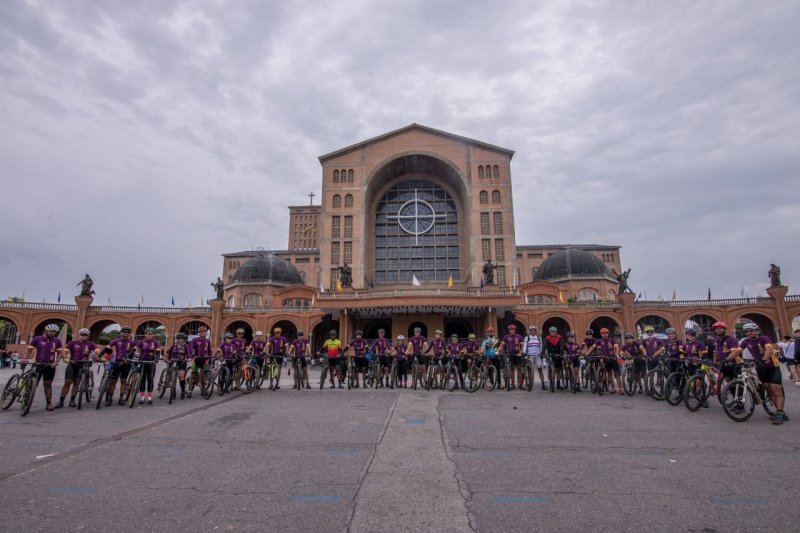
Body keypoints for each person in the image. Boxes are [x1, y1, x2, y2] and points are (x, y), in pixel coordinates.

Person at [731, 323, 787, 424]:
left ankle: (779, 413)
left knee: (776, 391)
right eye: (747, 331)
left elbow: (769, 348)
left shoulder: (764, 338)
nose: (749, 333)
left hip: (772, 368)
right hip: (761, 369)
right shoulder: (746, 341)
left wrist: (764, 359)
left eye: (751, 331)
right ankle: (781, 412)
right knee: (769, 391)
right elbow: (737, 351)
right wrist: (727, 359)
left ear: (757, 331)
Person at [23, 323, 63, 411]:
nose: (53, 333)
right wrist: (24, 359)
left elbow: (60, 353)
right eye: (51, 331)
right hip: (38, 364)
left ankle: (49, 403)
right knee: (33, 384)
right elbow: (29, 349)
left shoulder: (57, 341)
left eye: (55, 332)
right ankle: (26, 401)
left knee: (48, 384)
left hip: (50, 366)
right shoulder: (37, 338)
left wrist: (56, 362)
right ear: (46, 331)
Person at [57, 328, 99, 408]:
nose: (83, 336)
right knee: (67, 382)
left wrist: (97, 356)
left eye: (85, 335)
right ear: (79, 335)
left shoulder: (91, 344)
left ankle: (72, 400)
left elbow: (97, 350)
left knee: (76, 383)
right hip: (72, 363)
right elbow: (65, 350)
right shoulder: (73, 342)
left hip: (83, 364)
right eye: (81, 334)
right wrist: (65, 357)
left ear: (88, 336)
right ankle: (61, 401)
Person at [106, 326, 137, 406]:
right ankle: (110, 398)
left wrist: (128, 358)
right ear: (121, 333)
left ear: (129, 334)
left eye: (127, 332)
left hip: (126, 363)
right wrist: (99, 356)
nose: (126, 333)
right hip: (117, 362)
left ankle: (121, 398)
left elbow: (133, 352)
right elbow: (107, 348)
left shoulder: (132, 342)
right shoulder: (116, 341)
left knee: (123, 381)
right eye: (124, 332)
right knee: (113, 381)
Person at [589, 328, 622, 394]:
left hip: (613, 358)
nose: (605, 334)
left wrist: (617, 354)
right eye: (603, 333)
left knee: (616, 374)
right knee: (609, 374)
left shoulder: (612, 340)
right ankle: (613, 388)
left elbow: (616, 347)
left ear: (608, 333)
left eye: (606, 333)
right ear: (601, 334)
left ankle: (621, 388)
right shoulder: (599, 340)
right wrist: (588, 353)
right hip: (606, 359)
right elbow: (593, 347)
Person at [134, 327, 161, 404]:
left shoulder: (156, 342)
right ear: (145, 334)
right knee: (142, 379)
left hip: (151, 362)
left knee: (150, 379)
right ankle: (142, 397)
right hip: (142, 361)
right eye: (148, 333)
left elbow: (158, 351)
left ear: (153, 335)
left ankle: (149, 397)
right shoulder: (141, 341)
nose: (149, 335)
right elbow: (135, 348)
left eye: (151, 334)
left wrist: (157, 359)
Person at [187, 325, 213, 398]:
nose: (202, 333)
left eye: (204, 331)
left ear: (205, 332)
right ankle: (189, 391)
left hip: (205, 360)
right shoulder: (195, 340)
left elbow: (209, 351)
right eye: (200, 332)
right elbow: (191, 347)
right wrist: (191, 356)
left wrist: (210, 359)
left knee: (203, 375)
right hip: (197, 359)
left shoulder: (208, 341)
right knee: (193, 374)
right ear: (199, 332)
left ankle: (203, 390)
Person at [164, 332, 191, 400]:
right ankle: (173, 391)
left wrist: (188, 358)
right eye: (179, 339)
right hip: (173, 361)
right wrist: (168, 359)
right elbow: (170, 354)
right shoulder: (173, 346)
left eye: (182, 339)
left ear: (184, 340)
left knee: (181, 377)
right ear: (176, 339)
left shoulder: (185, 346)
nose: (180, 340)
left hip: (181, 362)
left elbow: (188, 353)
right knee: (171, 375)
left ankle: (182, 391)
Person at [499, 324, 523, 390]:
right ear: (509, 330)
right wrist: (498, 351)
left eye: (513, 329)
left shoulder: (519, 336)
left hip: (518, 354)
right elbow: (502, 345)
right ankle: (512, 384)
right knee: (512, 369)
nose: (512, 331)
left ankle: (520, 384)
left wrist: (521, 352)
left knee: (519, 369)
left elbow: (523, 345)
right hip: (510, 355)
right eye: (510, 330)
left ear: (515, 330)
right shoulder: (506, 337)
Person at [523, 325, 546, 390]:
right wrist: (524, 352)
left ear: (536, 331)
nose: (533, 331)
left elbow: (541, 346)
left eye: (534, 330)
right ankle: (529, 381)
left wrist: (542, 353)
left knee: (540, 370)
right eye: (532, 330)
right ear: (530, 331)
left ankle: (543, 384)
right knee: (529, 368)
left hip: (538, 355)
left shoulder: (539, 338)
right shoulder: (527, 338)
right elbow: (525, 345)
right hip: (529, 355)